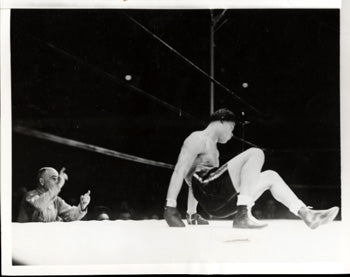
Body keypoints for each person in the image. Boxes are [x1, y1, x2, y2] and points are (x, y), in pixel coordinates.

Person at [164, 108, 339, 229]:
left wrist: (192, 215)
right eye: (232, 128)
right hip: (212, 195)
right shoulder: (198, 138)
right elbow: (181, 170)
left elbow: (196, 185)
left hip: (219, 204)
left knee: (271, 176)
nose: (232, 135)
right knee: (256, 153)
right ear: (222, 121)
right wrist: (170, 208)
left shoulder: (215, 152)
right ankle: (242, 214)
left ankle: (306, 214)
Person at [17, 167, 91, 222]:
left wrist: (82, 206)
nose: (57, 182)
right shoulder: (30, 195)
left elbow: (71, 215)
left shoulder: (56, 200)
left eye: (58, 179)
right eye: (54, 178)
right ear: (42, 181)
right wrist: (58, 186)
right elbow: (39, 205)